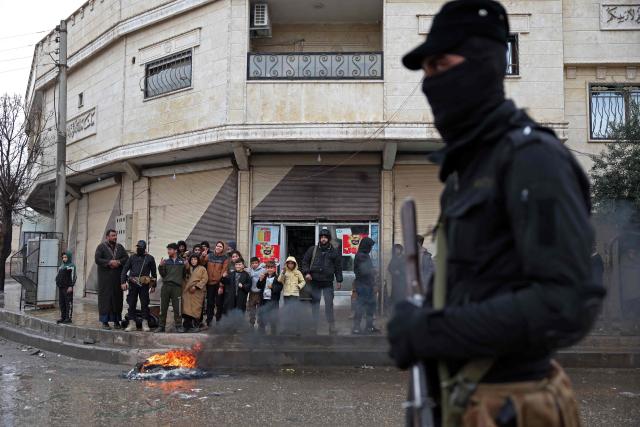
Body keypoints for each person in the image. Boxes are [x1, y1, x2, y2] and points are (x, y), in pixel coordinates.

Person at [387, 1, 605, 425]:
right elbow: (479, 280)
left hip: (515, 406)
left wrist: (434, 330)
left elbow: (565, 303)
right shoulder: (469, 169)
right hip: (465, 400)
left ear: (485, 63)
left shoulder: (533, 160)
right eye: (426, 70)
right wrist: (421, 317)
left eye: (441, 65)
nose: (431, 81)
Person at [301, 228, 343, 335]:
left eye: (325, 237)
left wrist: (339, 280)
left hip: (328, 282)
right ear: (319, 238)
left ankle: (331, 326)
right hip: (315, 281)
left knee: (329, 304)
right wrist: (307, 273)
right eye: (321, 237)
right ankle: (314, 326)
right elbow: (305, 261)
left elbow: (338, 266)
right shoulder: (313, 249)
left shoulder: (334, 251)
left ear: (328, 239)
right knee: (315, 304)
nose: (323, 239)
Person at [94, 229, 129, 330]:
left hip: (117, 279)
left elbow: (126, 258)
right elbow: (97, 259)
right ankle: (105, 322)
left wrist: (118, 262)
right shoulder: (101, 247)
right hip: (105, 280)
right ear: (107, 237)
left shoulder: (120, 247)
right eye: (113, 236)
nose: (115, 237)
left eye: (115, 235)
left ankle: (116, 321)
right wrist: (109, 262)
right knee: (105, 300)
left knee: (117, 300)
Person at [121, 240, 157, 332]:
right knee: (131, 303)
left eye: (140, 247)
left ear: (144, 248)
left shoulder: (150, 258)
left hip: (144, 285)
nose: (139, 249)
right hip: (132, 284)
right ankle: (132, 323)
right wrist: (123, 282)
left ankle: (145, 322)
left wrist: (153, 285)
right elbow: (125, 269)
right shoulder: (132, 257)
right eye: (138, 247)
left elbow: (154, 273)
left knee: (144, 304)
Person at [352, 237, 380, 334]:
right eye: (370, 246)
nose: (371, 248)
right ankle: (356, 327)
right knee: (361, 306)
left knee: (370, 306)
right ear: (366, 246)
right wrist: (373, 270)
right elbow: (362, 271)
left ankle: (369, 326)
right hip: (363, 285)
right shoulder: (361, 255)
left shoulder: (365, 255)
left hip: (368, 284)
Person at [156, 243, 185, 333]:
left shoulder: (182, 262)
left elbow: (184, 274)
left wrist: (187, 266)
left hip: (177, 287)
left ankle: (179, 326)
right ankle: (161, 326)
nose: (168, 251)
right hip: (166, 286)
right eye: (168, 249)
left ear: (176, 250)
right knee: (163, 307)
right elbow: (163, 274)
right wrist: (160, 266)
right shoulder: (166, 262)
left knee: (178, 308)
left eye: (170, 249)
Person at [201, 241, 229, 326]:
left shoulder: (225, 258)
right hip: (209, 283)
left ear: (223, 248)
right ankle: (209, 321)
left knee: (219, 303)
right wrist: (203, 256)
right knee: (210, 303)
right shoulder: (209, 256)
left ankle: (218, 321)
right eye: (217, 246)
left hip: (218, 283)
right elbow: (202, 263)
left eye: (220, 246)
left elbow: (224, 271)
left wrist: (221, 284)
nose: (218, 248)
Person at [279, 256, 306, 335]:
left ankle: (298, 330)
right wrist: (283, 273)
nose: (290, 265)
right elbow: (280, 280)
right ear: (286, 264)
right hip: (286, 294)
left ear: (295, 264)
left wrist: (299, 286)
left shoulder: (298, 272)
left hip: (295, 295)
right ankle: (287, 329)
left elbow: (303, 281)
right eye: (289, 263)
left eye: (292, 263)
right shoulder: (284, 272)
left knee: (295, 312)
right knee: (287, 312)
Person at [182, 254, 208, 332]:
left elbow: (205, 279)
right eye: (192, 259)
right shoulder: (187, 268)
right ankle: (187, 325)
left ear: (198, 260)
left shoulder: (202, 268)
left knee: (196, 308)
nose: (193, 261)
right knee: (186, 308)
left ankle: (195, 325)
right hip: (187, 291)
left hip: (197, 292)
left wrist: (196, 286)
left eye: (195, 259)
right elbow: (183, 277)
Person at [257, 260, 283, 335]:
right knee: (262, 315)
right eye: (268, 268)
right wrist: (260, 279)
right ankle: (261, 332)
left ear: (274, 268)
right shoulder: (264, 277)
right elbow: (258, 286)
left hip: (273, 300)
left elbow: (279, 288)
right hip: (264, 300)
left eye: (271, 268)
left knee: (273, 316)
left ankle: (273, 332)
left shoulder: (278, 277)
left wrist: (272, 287)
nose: (269, 269)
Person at [55, 251, 76, 324]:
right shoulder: (61, 266)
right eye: (63, 257)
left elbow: (74, 276)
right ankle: (63, 317)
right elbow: (58, 275)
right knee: (62, 303)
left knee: (68, 303)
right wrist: (57, 281)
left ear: (69, 257)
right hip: (61, 287)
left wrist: (71, 286)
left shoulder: (71, 266)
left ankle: (68, 318)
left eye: (66, 257)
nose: (64, 259)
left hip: (67, 287)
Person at [247, 256, 266, 329]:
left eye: (256, 263)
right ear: (251, 264)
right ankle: (251, 324)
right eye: (252, 263)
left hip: (260, 293)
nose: (254, 264)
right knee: (252, 309)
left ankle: (260, 325)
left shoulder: (263, 270)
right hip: (252, 293)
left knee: (260, 310)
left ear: (258, 263)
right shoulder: (249, 270)